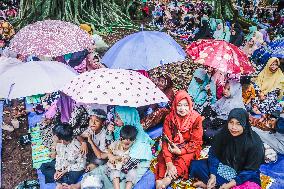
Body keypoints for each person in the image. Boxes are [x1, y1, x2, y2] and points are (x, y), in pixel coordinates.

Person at [190, 108, 265, 189]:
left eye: (238, 124)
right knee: (196, 165)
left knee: (249, 187)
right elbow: (214, 154)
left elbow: (251, 170)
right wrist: (213, 175)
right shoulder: (223, 134)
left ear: (245, 124)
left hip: (243, 174)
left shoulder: (255, 143)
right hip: (223, 168)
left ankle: (209, 186)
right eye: (231, 122)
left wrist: (230, 184)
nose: (233, 127)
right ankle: (214, 184)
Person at [155, 90, 203, 189]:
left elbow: (196, 142)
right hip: (172, 145)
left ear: (190, 105)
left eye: (186, 105)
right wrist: (169, 163)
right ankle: (159, 181)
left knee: (185, 159)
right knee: (163, 157)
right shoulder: (169, 118)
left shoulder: (196, 118)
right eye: (179, 105)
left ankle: (167, 180)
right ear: (175, 105)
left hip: (189, 147)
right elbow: (166, 140)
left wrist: (181, 151)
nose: (182, 109)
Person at [53, 123, 86, 188]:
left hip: (74, 168)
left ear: (61, 139)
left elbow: (81, 165)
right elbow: (59, 157)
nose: (53, 137)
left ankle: (62, 183)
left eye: (55, 136)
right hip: (65, 165)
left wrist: (64, 171)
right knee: (44, 167)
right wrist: (57, 170)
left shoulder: (77, 146)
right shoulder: (59, 144)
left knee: (73, 176)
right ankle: (61, 183)